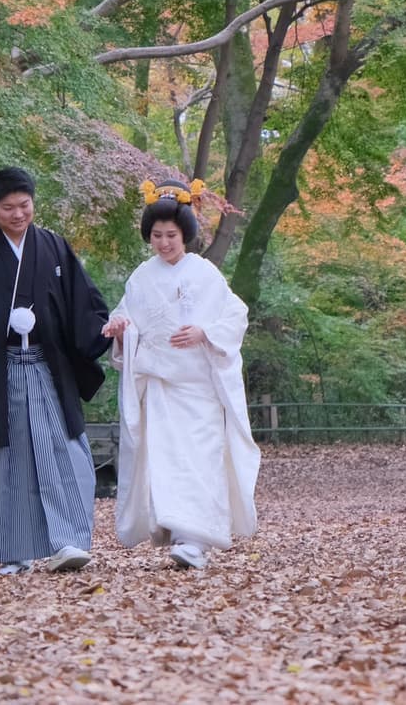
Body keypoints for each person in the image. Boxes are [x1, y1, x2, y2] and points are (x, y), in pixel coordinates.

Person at [0, 167, 112, 575]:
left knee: (64, 453)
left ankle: (67, 543)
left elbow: (84, 304)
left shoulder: (54, 247)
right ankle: (15, 551)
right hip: (1, 372)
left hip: (48, 370)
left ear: (33, 202)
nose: (17, 214)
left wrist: (105, 328)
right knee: (7, 458)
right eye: (8, 207)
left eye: (24, 205)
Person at [101, 179, 260, 570]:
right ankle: (175, 531)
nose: (164, 243)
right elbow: (127, 318)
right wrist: (121, 330)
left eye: (171, 235)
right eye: (156, 235)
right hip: (159, 386)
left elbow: (235, 315)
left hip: (198, 388)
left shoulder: (205, 274)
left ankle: (197, 539)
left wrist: (205, 332)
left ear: (184, 234)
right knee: (165, 460)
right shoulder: (141, 277)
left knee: (199, 459)